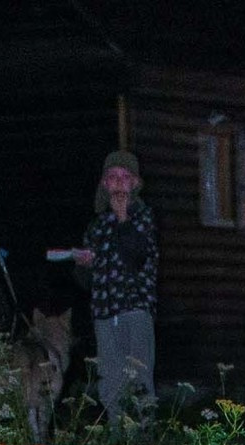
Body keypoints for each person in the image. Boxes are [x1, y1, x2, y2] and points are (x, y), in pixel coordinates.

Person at [74, 149, 157, 423]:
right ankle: (117, 444)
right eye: (113, 177)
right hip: (104, 313)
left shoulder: (143, 217)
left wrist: (123, 217)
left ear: (135, 183)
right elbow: (84, 281)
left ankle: (145, 444)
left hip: (135, 310)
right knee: (110, 380)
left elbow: (137, 255)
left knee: (140, 378)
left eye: (125, 176)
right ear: (104, 184)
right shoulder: (96, 226)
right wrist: (83, 265)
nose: (119, 182)